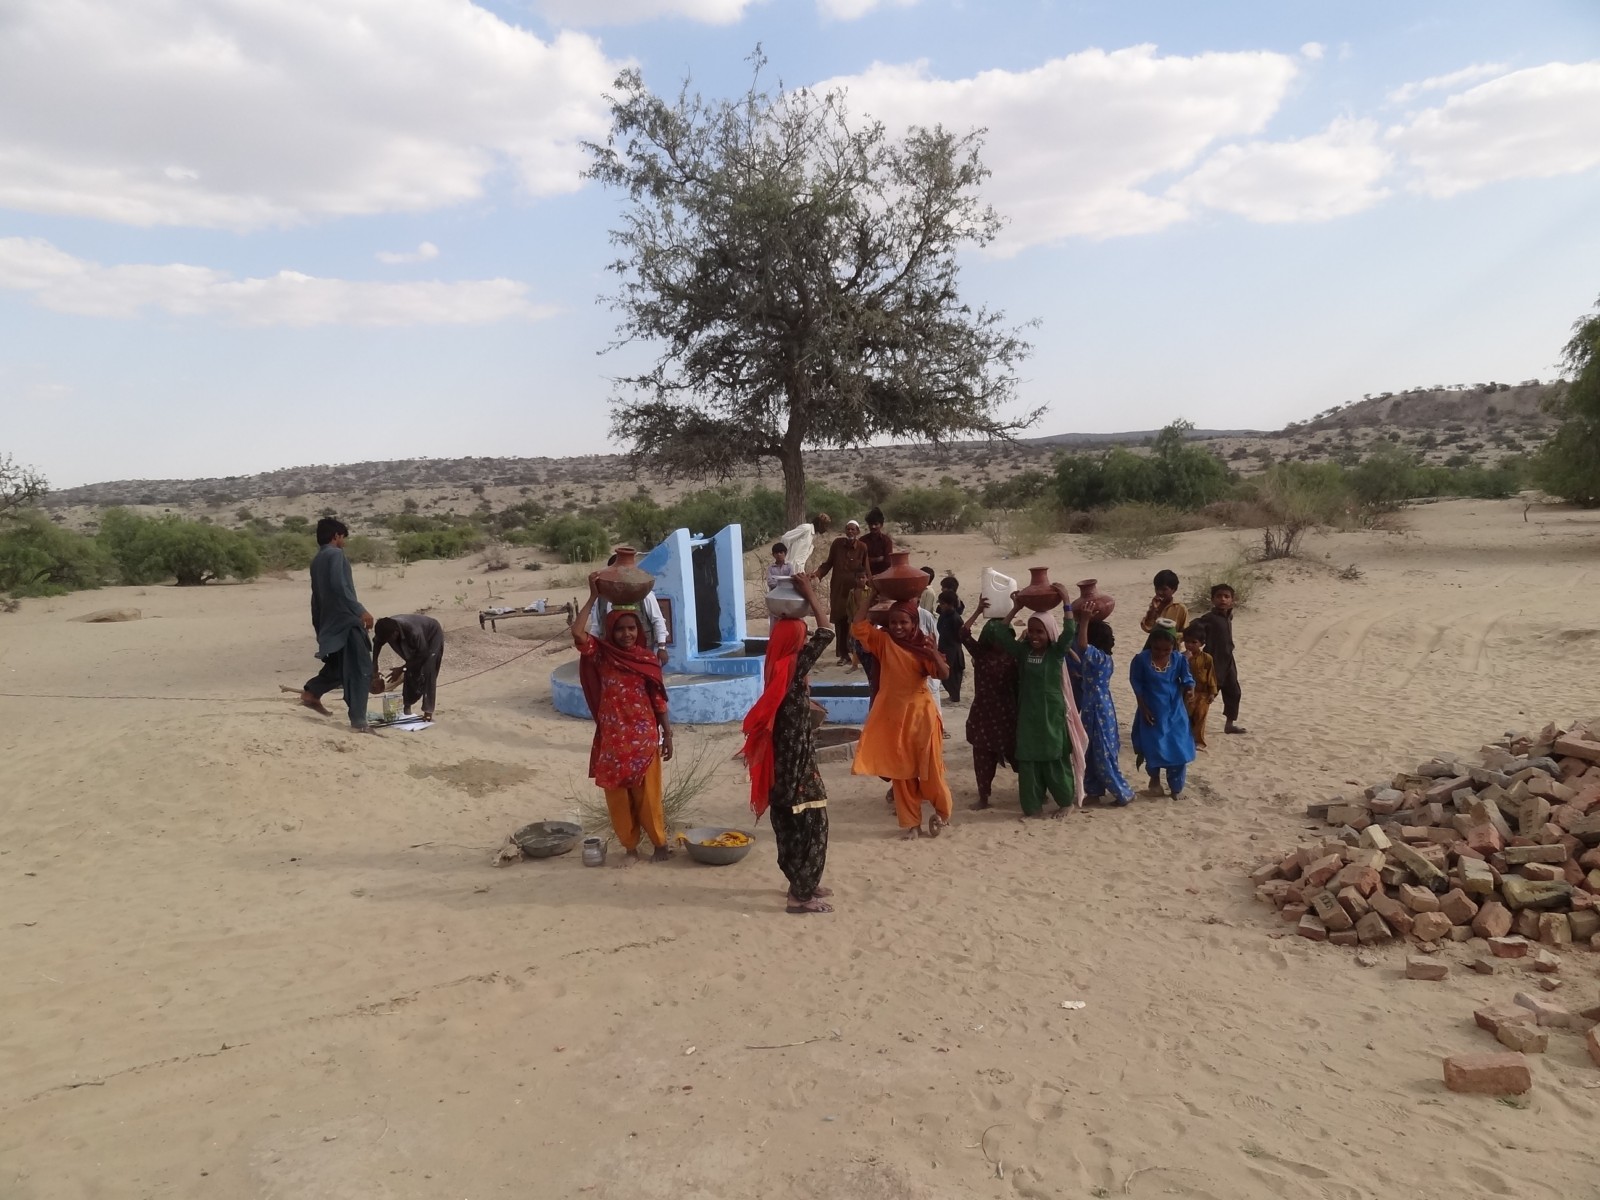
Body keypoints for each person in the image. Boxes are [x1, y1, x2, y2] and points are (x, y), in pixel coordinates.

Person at [740, 574, 835, 914]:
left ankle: (803, 881)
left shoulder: (776, 673)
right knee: (813, 823)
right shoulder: (792, 668)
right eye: (801, 638)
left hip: (783, 768)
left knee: (791, 826)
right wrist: (810, 593)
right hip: (796, 770)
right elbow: (827, 632)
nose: (804, 641)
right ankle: (801, 895)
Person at [573, 576, 674, 863]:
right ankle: (630, 848)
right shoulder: (602, 655)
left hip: (643, 739)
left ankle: (660, 846)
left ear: (639, 630)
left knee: (648, 797)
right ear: (610, 631)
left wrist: (667, 734)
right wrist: (593, 597)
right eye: (620, 629)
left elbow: (658, 700)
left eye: (631, 628)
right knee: (618, 798)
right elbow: (578, 633)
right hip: (613, 739)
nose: (626, 634)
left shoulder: (647, 660)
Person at [851, 586, 952, 839]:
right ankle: (912, 824)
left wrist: (934, 653)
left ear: (914, 623)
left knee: (931, 771)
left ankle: (942, 813)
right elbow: (858, 627)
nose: (898, 627)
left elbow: (943, 674)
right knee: (902, 772)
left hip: (922, 718)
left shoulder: (923, 646)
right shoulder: (884, 642)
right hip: (894, 717)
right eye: (894, 622)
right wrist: (870, 597)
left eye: (903, 622)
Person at [994, 586, 1089, 818]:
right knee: (1028, 760)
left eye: (1040, 631)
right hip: (1028, 715)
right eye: (1031, 631)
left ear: (1049, 633)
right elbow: (1000, 633)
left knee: (1054, 758)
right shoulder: (1023, 652)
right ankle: (1032, 805)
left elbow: (1069, 631)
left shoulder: (1056, 653)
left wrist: (1066, 601)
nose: (1035, 636)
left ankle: (1065, 802)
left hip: (1051, 716)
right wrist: (1016, 608)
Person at [301, 517, 375, 732]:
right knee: (361, 668)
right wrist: (360, 611)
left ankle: (312, 693)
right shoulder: (335, 554)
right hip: (346, 622)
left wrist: (319, 626)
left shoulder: (317, 560)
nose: (344, 542)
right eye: (343, 537)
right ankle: (359, 722)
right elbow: (339, 586)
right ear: (336, 536)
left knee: (339, 665)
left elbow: (316, 598)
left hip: (329, 622)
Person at [1067, 617, 1136, 805]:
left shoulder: (1098, 657)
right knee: (1090, 750)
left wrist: (1084, 621)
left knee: (1102, 752)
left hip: (1098, 709)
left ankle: (1123, 793)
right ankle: (1094, 792)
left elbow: (1082, 647)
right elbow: (1081, 662)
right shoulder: (1102, 659)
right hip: (1095, 707)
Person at [959, 596, 1018, 810]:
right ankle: (983, 797)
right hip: (990, 716)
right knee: (983, 760)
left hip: (1003, 716)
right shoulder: (984, 655)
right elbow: (963, 633)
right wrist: (977, 611)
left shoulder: (1015, 656)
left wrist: (1016, 608)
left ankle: (1035, 791)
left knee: (1020, 758)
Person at [1129, 621, 1196, 799]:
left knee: (1178, 748)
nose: (1161, 653)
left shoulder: (1179, 659)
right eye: (1157, 649)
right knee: (1154, 747)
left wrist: (1190, 690)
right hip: (1151, 712)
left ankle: (1176, 788)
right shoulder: (1141, 660)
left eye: (1167, 650)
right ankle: (1155, 781)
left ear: (1173, 646)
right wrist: (1143, 708)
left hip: (1175, 712)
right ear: (1150, 643)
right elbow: (1137, 685)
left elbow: (1187, 678)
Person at [586, 553, 669, 665]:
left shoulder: (645, 595)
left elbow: (657, 620)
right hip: (611, 654)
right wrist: (592, 649)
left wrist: (662, 647)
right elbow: (596, 626)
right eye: (614, 573)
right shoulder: (601, 599)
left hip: (641, 651)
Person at [1188, 583, 1247, 735]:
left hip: (1228, 661)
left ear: (1232, 600)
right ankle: (1190, 726)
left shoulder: (1228, 616)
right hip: (1213, 662)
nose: (1223, 599)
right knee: (1207, 695)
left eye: (1226, 596)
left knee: (1234, 692)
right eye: (1219, 596)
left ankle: (1229, 724)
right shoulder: (1209, 618)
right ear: (1212, 599)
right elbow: (1193, 628)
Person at [371, 614, 445, 722]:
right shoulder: (384, 629)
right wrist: (374, 669)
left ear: (395, 633)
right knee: (411, 669)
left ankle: (428, 711)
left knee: (428, 670)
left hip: (432, 634)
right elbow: (377, 643)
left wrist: (401, 669)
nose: (388, 642)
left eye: (389, 639)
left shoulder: (413, 631)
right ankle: (407, 706)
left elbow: (423, 655)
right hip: (413, 638)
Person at [816, 520, 868, 663]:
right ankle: (843, 655)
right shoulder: (837, 544)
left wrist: (870, 588)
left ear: (857, 532)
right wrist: (818, 574)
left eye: (853, 529)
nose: (850, 532)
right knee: (840, 621)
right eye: (848, 529)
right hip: (838, 590)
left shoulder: (862, 547)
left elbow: (866, 568)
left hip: (855, 591)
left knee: (855, 621)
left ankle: (856, 654)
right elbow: (828, 563)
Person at [1182, 626, 1218, 751]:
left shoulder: (1207, 658)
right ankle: (1185, 738)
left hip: (1203, 692)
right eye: (1187, 641)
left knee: (1201, 716)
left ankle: (1199, 741)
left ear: (1202, 644)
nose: (1190, 645)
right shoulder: (1182, 657)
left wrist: (1212, 692)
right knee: (1187, 715)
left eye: (1194, 642)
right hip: (1187, 692)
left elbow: (1211, 675)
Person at [936, 592, 965, 703]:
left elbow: (961, 636)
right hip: (943, 648)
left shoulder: (955, 618)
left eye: (943, 604)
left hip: (953, 650)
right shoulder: (944, 615)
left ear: (950, 604)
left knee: (953, 675)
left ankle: (954, 696)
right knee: (944, 675)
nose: (941, 606)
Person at [1139, 569, 1189, 634]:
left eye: (1164, 589)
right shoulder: (1154, 606)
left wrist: (1170, 635)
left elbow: (1185, 633)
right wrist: (1153, 610)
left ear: (1174, 590)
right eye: (1157, 589)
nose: (1159, 592)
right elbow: (1147, 628)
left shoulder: (1180, 608)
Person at [862, 507, 894, 576]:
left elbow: (887, 562)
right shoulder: (862, 541)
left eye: (876, 524)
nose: (873, 526)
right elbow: (860, 561)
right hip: (865, 577)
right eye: (871, 524)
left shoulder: (887, 541)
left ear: (881, 525)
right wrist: (878, 559)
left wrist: (868, 560)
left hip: (883, 576)